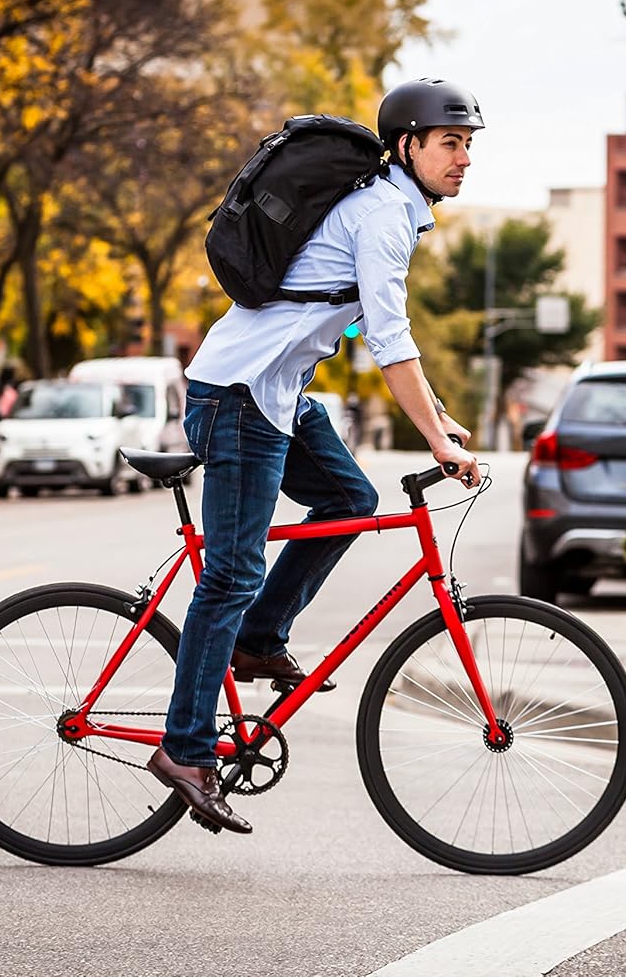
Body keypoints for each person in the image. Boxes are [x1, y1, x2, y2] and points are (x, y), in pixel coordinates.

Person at [147, 78, 485, 834]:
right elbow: (391, 340)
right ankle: (184, 750)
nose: (464, 159)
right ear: (408, 146)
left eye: (469, 145)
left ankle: (259, 642)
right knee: (230, 573)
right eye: (450, 143)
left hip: (272, 395)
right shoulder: (381, 216)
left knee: (350, 501)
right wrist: (432, 436)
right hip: (236, 399)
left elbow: (382, 336)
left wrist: (438, 417)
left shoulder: (389, 209)